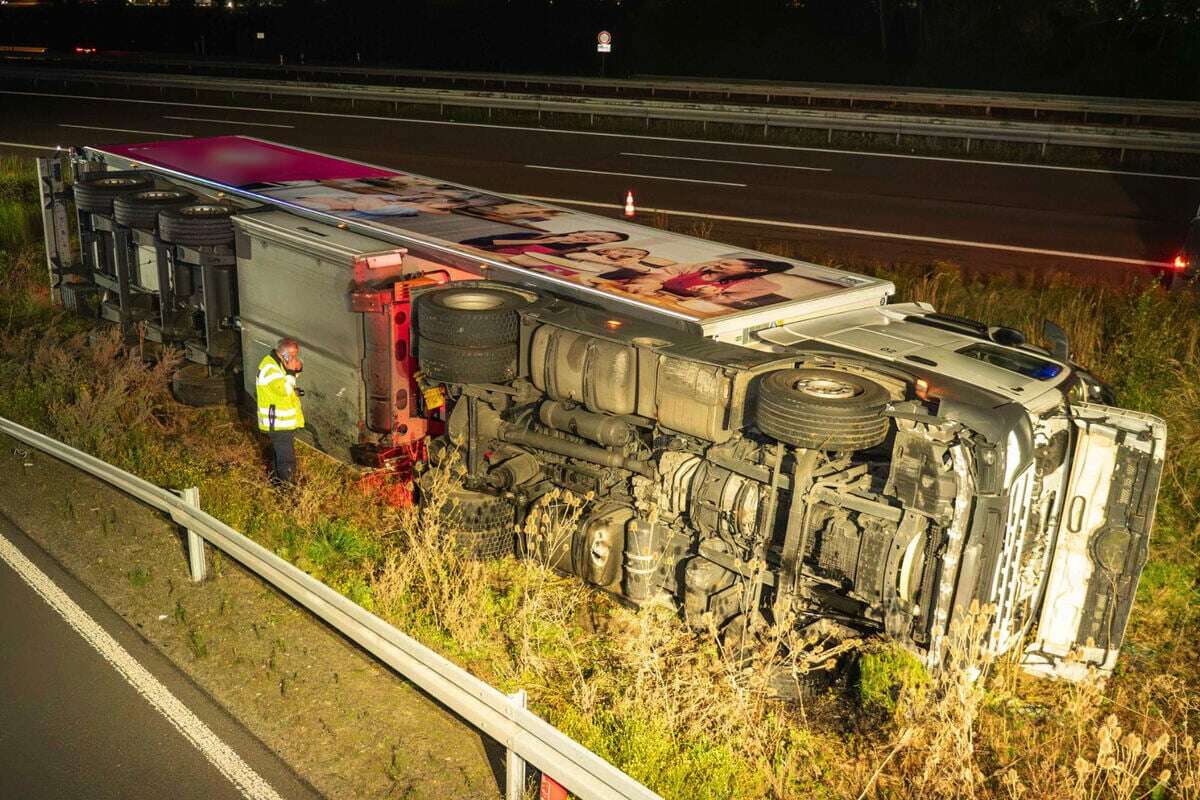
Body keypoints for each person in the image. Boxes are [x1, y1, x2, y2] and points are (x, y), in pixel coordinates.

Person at [619, 257, 792, 307]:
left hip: (674, 307)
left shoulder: (764, 286)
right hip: (640, 293)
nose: (718, 264)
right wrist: (650, 280)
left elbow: (727, 303)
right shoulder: (701, 267)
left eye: (725, 264)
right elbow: (668, 272)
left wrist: (708, 296)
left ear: (756, 270)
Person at [256, 337, 305, 485]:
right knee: (286, 459)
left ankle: (278, 484)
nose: (295, 358)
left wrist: (296, 370)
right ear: (284, 354)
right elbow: (284, 389)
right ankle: (287, 490)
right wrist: (290, 371)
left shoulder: (277, 363)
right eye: (293, 355)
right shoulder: (270, 369)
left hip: (281, 422)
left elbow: (286, 381)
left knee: (280, 456)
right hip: (278, 423)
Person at [459, 230, 629, 256]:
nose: (594, 239)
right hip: (475, 251)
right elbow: (489, 241)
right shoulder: (537, 235)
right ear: (583, 231)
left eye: (602, 240)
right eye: (596, 235)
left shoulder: (575, 251)